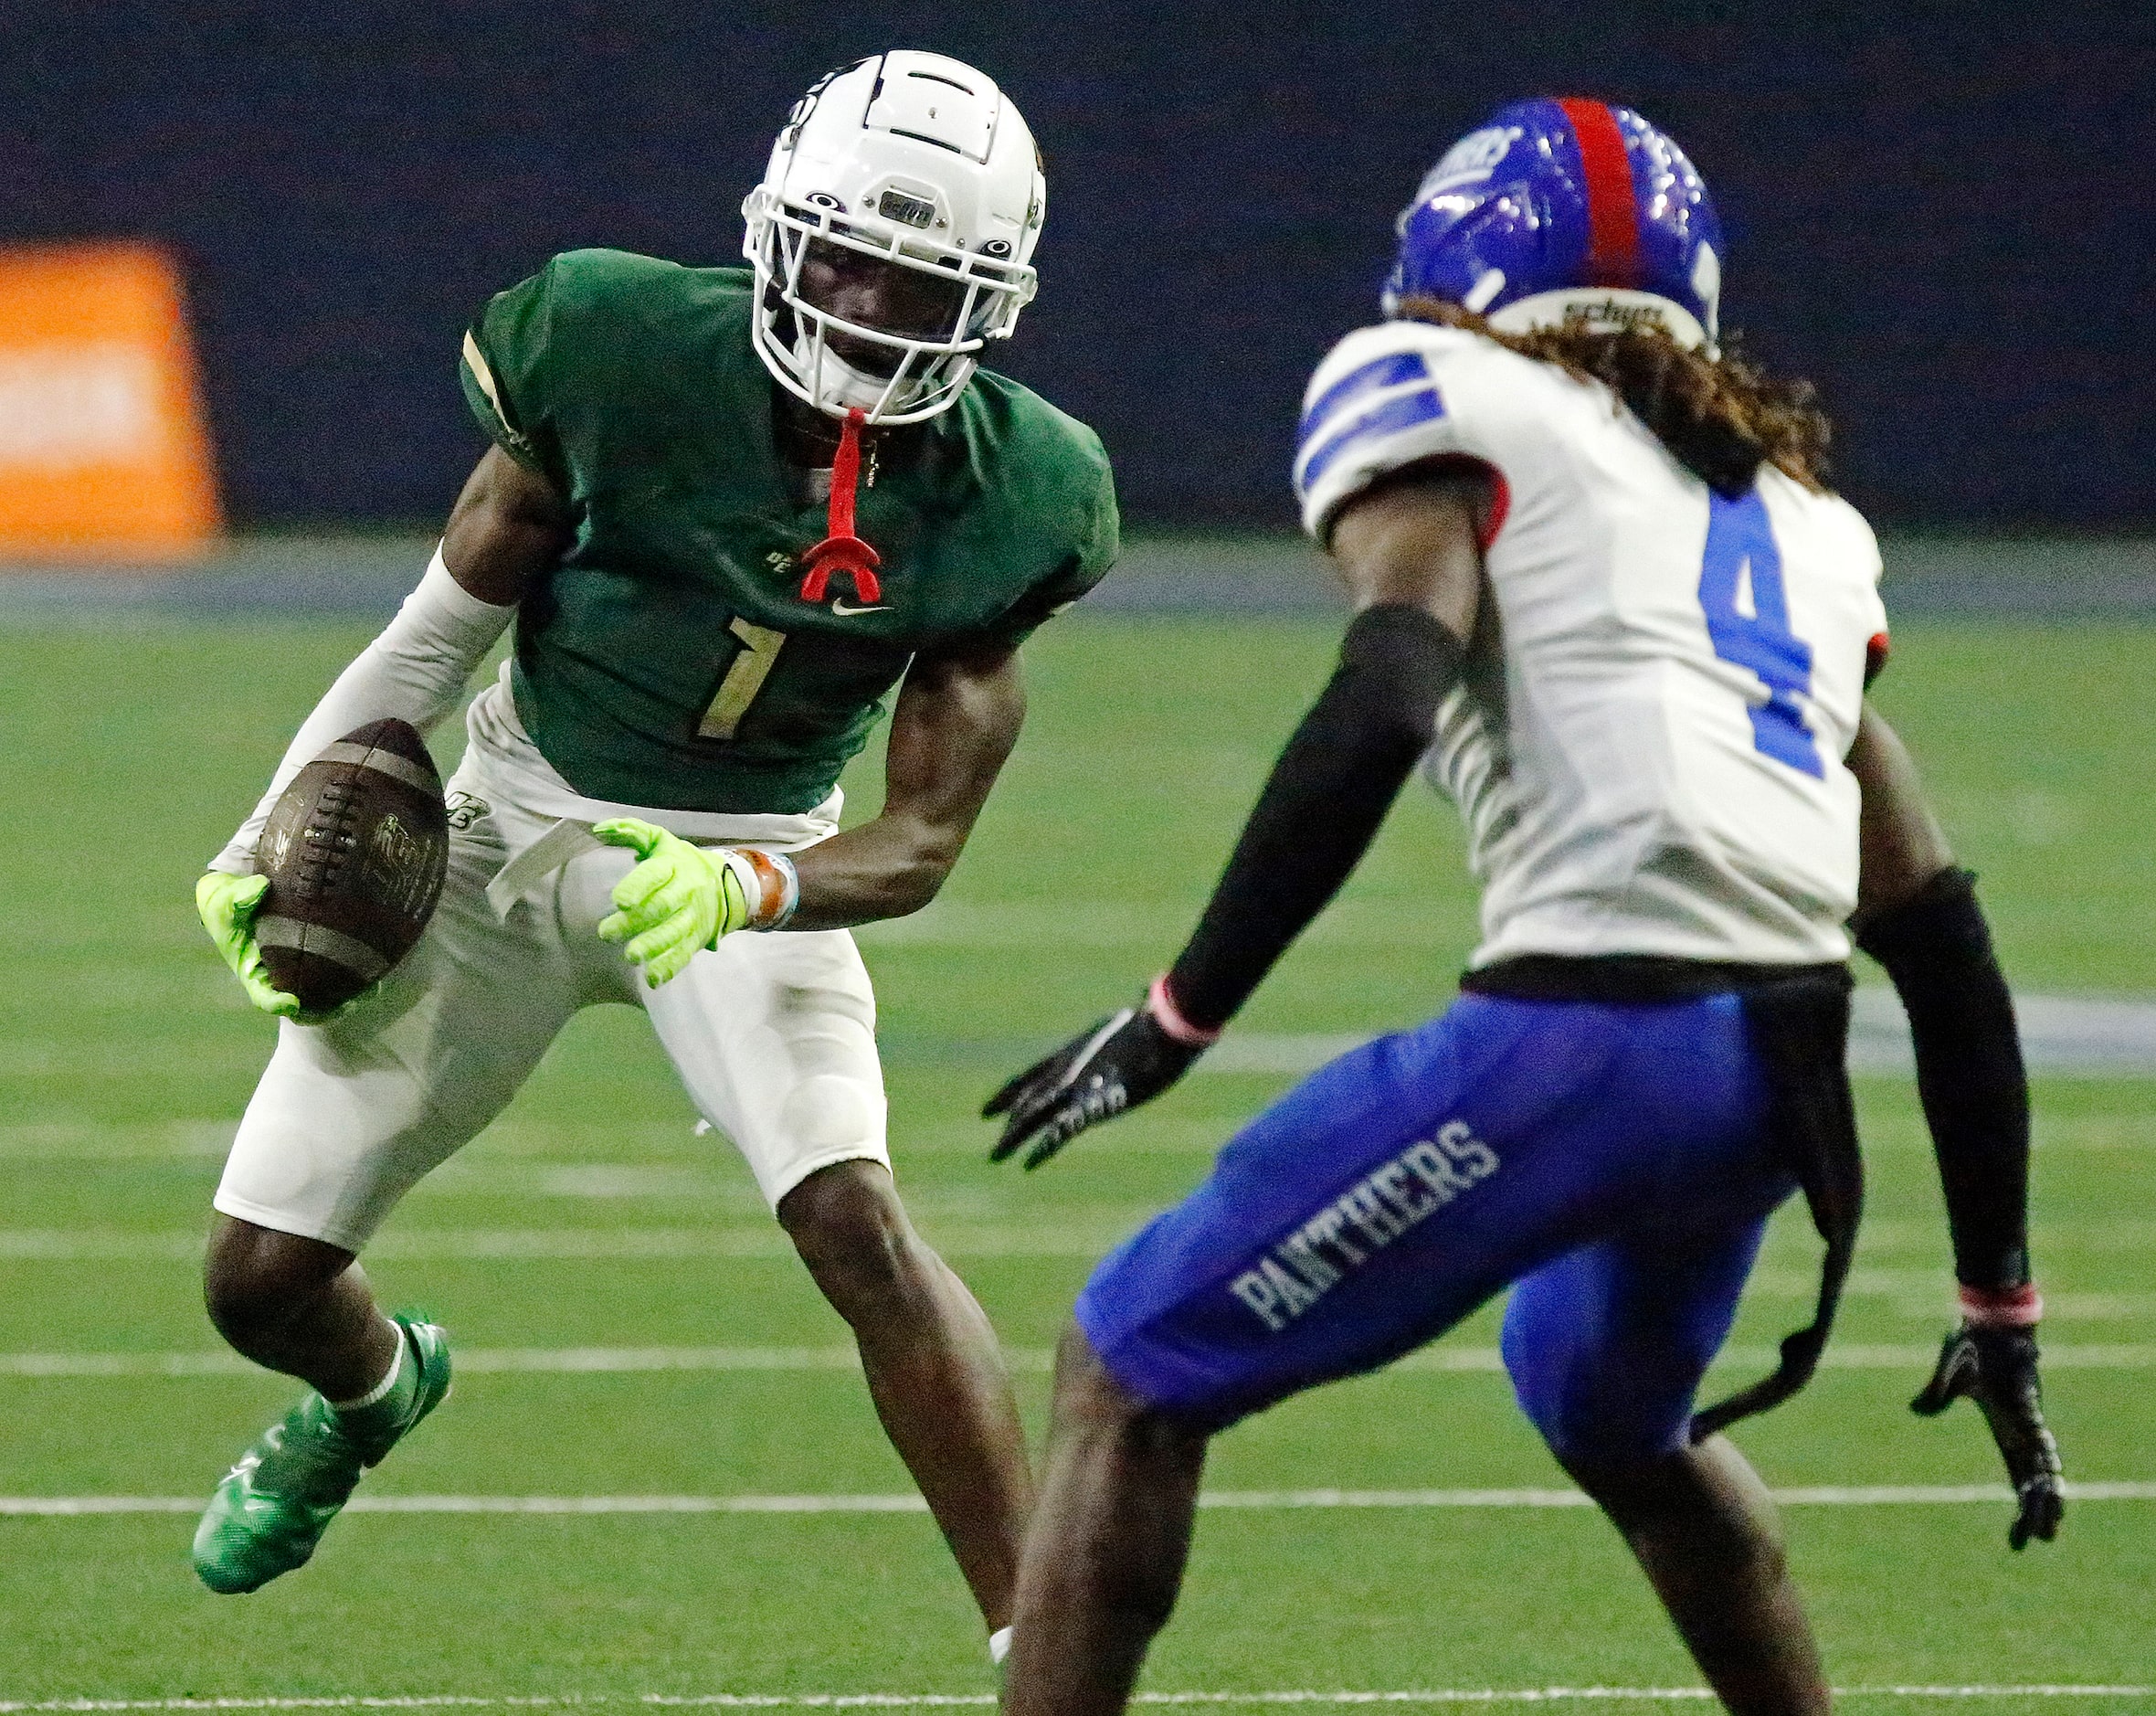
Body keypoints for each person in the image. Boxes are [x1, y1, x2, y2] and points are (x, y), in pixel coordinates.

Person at [983, 100, 2060, 1716]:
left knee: (1129, 1368)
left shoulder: (1442, 393)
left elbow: (1386, 693)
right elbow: (1938, 933)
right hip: (1778, 1077)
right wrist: (2000, 1292)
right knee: (1615, 1410)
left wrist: (1180, 1011)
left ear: (1456, 275)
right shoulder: (1799, 520)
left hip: (1594, 1039)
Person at [187, 52, 1115, 1664]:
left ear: (996, 302)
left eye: (919, 283)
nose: (871, 312)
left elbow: (920, 845)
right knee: (259, 1282)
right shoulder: (615, 349)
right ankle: (378, 1387)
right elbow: (434, 641)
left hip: (752, 858)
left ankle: (1045, 1651)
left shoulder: (1019, 493)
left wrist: (741, 885)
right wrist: (273, 817)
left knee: (856, 1223)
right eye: (843, 260)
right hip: (510, 821)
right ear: (774, 232)